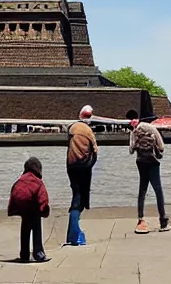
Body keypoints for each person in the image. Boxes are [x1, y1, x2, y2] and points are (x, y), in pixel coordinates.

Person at [127, 110, 171, 234]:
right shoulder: (151, 128)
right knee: (158, 190)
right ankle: (163, 221)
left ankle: (141, 220)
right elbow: (161, 146)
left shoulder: (134, 131)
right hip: (153, 162)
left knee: (142, 190)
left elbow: (131, 150)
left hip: (141, 162)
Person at [8, 156, 51, 263]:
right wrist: (44, 209)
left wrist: (13, 209)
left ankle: (24, 254)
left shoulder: (20, 180)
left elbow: (13, 193)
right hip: (34, 209)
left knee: (25, 231)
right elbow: (43, 197)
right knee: (36, 230)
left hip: (22, 208)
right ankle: (38, 253)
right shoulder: (38, 182)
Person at [65, 105, 98, 245]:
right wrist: (90, 164)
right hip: (84, 167)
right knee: (80, 200)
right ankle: (75, 234)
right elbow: (95, 151)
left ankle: (71, 233)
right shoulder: (89, 131)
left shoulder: (72, 128)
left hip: (71, 166)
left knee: (75, 194)